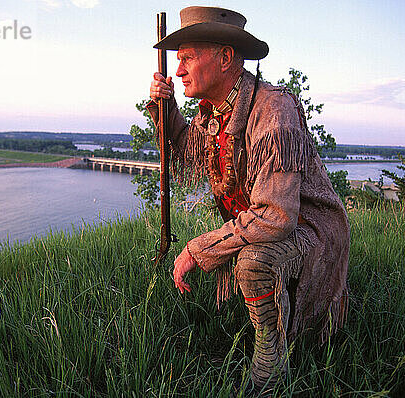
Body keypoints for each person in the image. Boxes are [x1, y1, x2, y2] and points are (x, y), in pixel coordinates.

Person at [147, 6, 350, 390]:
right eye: (177, 61)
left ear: (225, 58)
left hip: (310, 227)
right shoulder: (213, 113)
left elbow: (276, 217)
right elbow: (187, 148)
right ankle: (273, 316)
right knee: (249, 254)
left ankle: (270, 370)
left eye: (187, 58)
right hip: (275, 223)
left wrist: (197, 248)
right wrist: (166, 107)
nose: (178, 71)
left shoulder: (274, 109)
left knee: (253, 262)